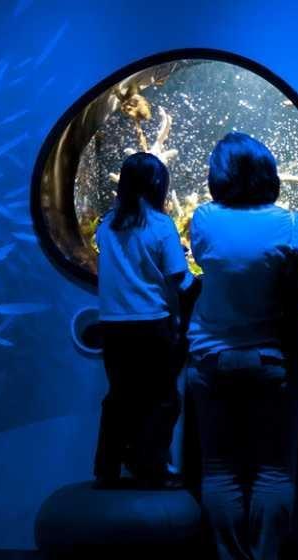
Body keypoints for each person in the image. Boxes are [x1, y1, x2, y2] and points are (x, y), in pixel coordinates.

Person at [187, 132, 298, 560]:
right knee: (273, 471)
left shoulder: (204, 219)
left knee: (218, 471)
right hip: (274, 361)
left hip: (210, 359)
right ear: (268, 172)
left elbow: (206, 261)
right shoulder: (291, 225)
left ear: (218, 175)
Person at [93, 152, 196, 490]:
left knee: (119, 396)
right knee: (163, 398)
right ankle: (152, 468)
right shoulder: (161, 225)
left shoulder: (106, 224)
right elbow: (176, 278)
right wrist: (181, 315)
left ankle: (107, 468)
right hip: (152, 323)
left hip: (112, 325)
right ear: (157, 185)